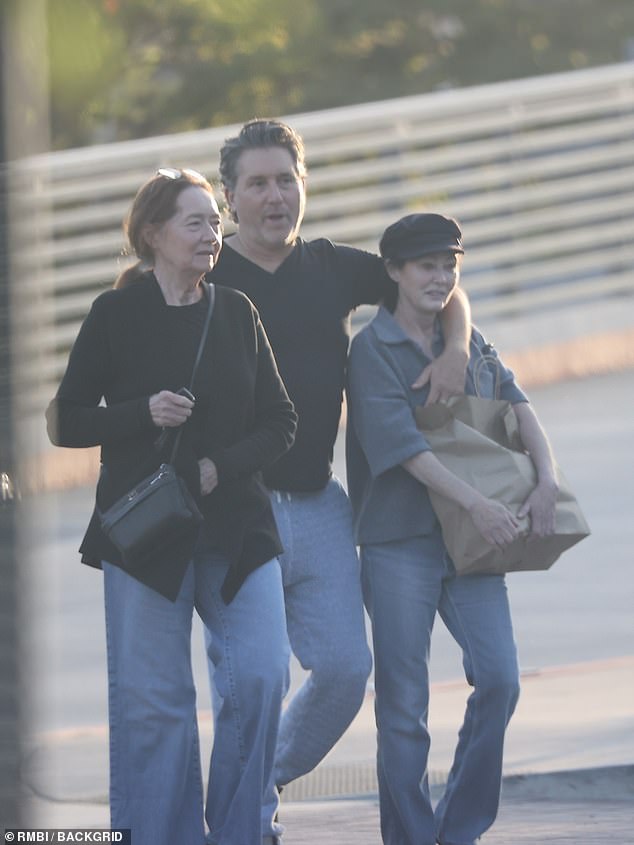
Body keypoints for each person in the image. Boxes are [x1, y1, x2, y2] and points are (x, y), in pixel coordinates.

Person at [207, 119, 474, 805]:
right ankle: (247, 812)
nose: (275, 196)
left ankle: (254, 783)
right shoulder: (206, 275)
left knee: (347, 671)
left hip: (322, 506)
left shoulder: (334, 267)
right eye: (257, 183)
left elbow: (436, 286)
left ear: (305, 186)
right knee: (256, 674)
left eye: (285, 180)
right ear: (230, 197)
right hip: (239, 508)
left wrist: (456, 348)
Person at [45, 167, 297, 845]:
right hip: (147, 535)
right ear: (153, 234)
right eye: (197, 221)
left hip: (237, 529)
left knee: (264, 673)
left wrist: (221, 466)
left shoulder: (238, 312)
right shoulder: (114, 315)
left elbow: (281, 421)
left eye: (216, 220)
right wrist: (141, 413)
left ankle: (245, 831)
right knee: (156, 707)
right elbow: (64, 421)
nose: (212, 232)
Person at [345, 212, 559, 845]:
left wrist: (547, 478)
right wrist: (480, 505)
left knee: (500, 679)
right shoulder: (370, 350)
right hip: (397, 544)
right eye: (426, 266)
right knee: (403, 710)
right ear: (393, 272)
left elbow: (519, 407)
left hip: (470, 546)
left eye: (449, 264)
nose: (440, 277)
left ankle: (458, 831)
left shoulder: (464, 337)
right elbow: (406, 450)